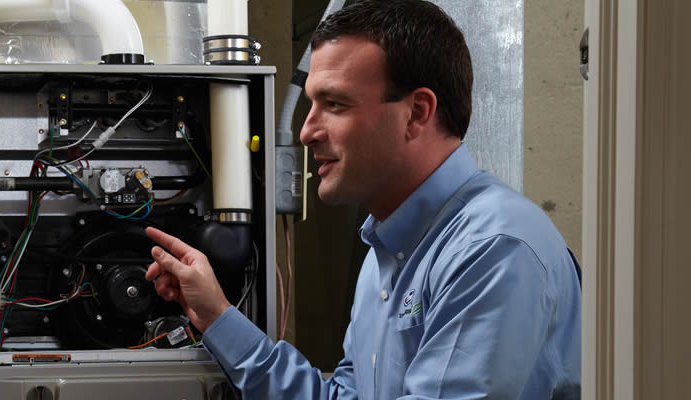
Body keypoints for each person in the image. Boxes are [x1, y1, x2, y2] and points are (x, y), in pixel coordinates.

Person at [145, 1, 581, 398]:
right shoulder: (385, 251)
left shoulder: (491, 249)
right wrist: (218, 316)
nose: (306, 131)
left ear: (417, 113)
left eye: (334, 104)